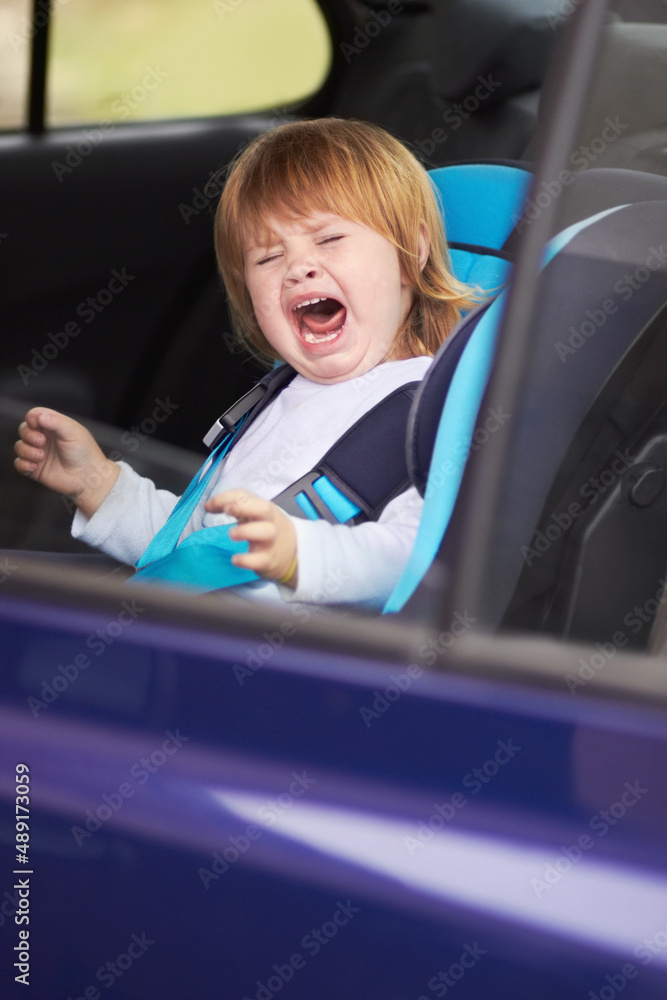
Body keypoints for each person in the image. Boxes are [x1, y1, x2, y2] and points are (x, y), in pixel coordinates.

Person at [14, 118, 476, 608]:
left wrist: (301, 555)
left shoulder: (434, 406)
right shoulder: (277, 398)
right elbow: (192, 554)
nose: (300, 267)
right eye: (269, 257)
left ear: (413, 253)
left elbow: (415, 557)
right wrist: (99, 484)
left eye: (329, 239)